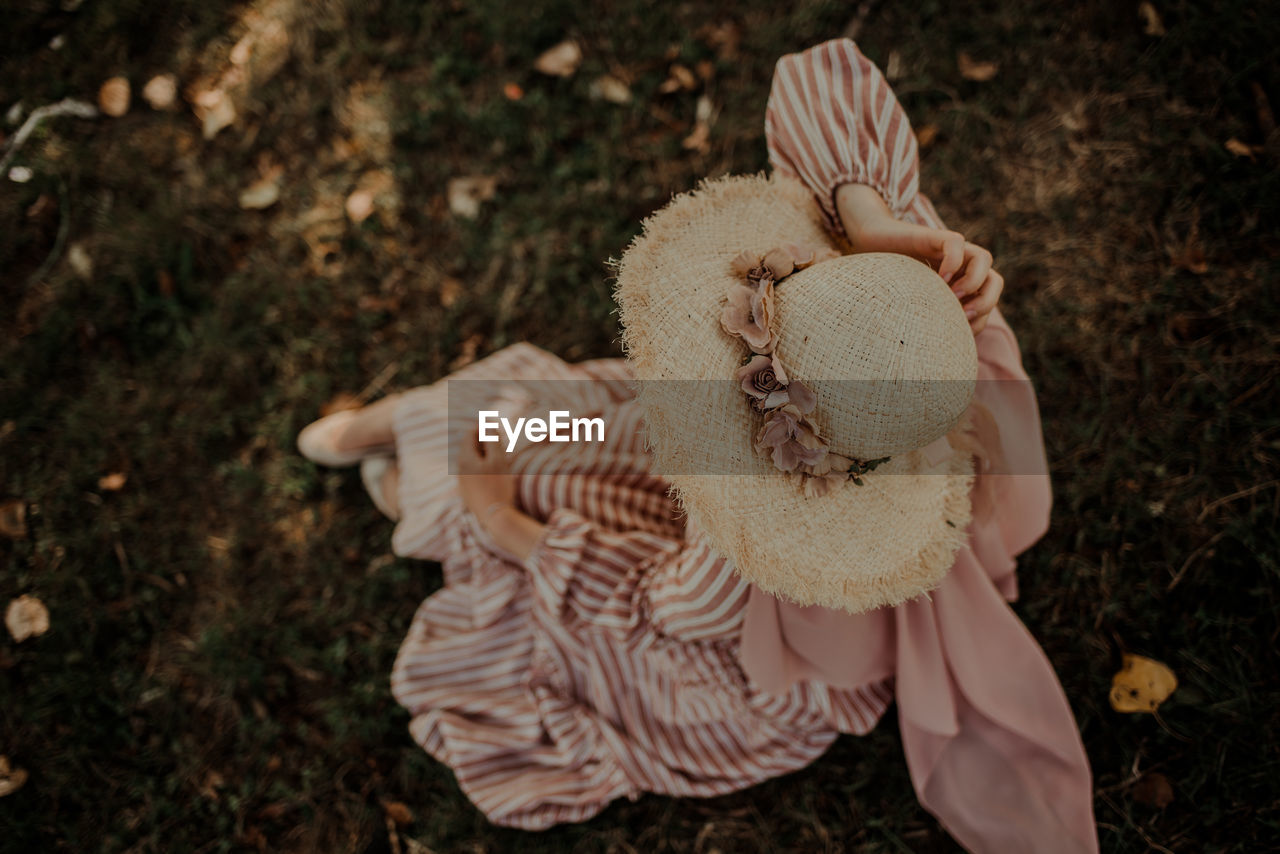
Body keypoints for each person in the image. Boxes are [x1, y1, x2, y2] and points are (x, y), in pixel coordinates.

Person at [297, 38, 1099, 853]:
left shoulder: (757, 541)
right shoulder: (919, 323)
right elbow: (820, 78)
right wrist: (873, 219)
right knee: (545, 416)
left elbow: (661, 609)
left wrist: (499, 518)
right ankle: (405, 441)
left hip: (731, 634)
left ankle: (412, 482)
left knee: (516, 482)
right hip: (725, 486)